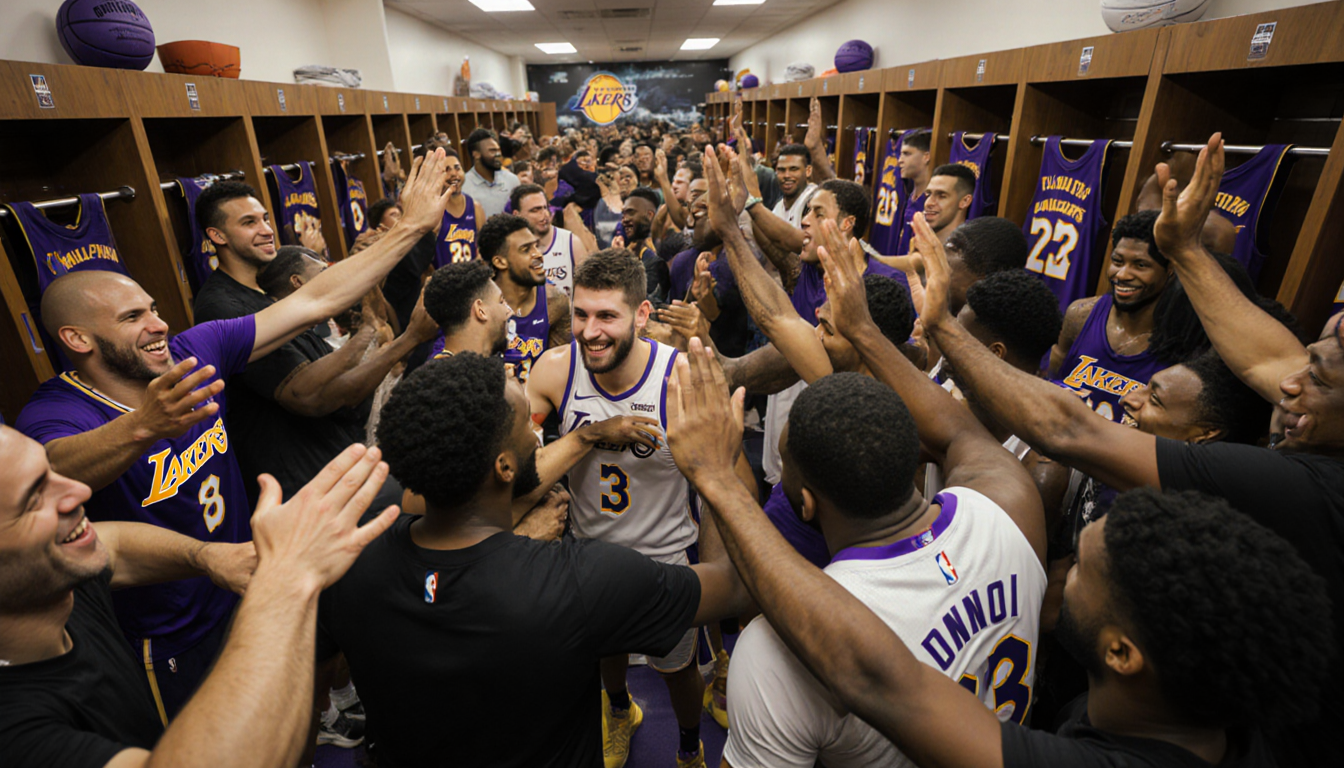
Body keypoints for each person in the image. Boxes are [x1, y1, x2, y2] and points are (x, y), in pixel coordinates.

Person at [918, 134, 1343, 766]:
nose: (1289, 383)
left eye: (1321, 377)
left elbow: (1072, 432)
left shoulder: (1313, 485)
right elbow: (1268, 358)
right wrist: (1183, 249)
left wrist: (944, 328)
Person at [315, 353, 752, 768]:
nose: (539, 435)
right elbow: (732, 586)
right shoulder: (580, 579)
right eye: (529, 423)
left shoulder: (346, 561)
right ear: (506, 468)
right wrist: (717, 474)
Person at [0, 426, 401, 768]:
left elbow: (116, 544)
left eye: (51, 473)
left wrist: (207, 557)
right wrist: (288, 575)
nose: (78, 490)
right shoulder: (14, 730)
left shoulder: (49, 576)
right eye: (33, 498)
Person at [527, 249, 727, 767]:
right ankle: (620, 711)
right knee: (603, 653)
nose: (590, 331)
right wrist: (587, 437)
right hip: (589, 552)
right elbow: (518, 476)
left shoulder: (679, 377)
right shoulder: (553, 370)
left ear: (641, 315)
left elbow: (719, 484)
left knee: (675, 668)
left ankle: (689, 747)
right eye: (581, 314)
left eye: (607, 316)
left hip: (664, 556)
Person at [1048, 210, 1172, 422]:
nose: (1122, 274)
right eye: (1118, 261)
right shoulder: (1080, 315)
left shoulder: (1183, 338)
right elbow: (1053, 383)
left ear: (1170, 270)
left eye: (1140, 265)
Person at [478, 213, 570, 382]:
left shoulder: (555, 302)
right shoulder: (478, 307)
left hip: (537, 404)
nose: (538, 255)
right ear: (500, 262)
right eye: (526, 249)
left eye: (536, 246)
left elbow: (561, 374)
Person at [511, 183, 590, 299]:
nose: (544, 215)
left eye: (545, 208)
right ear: (517, 215)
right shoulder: (511, 249)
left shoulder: (571, 243)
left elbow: (589, 291)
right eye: (535, 210)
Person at [432, 147, 486, 267]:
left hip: (472, 279)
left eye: (457, 168)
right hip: (445, 281)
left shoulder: (475, 207)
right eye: (446, 170)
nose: (453, 174)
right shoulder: (434, 212)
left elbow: (484, 249)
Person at [462, 128, 520, 218]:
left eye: (498, 150)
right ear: (476, 154)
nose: (498, 154)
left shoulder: (512, 180)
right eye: (492, 151)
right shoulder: (464, 187)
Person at [620, 187, 664, 301]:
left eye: (631, 213)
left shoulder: (656, 257)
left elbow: (639, 300)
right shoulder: (630, 249)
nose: (624, 220)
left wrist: (620, 262)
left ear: (650, 215)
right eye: (623, 214)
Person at [894, 130, 933, 256]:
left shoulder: (933, 201)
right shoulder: (910, 195)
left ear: (926, 156)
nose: (900, 160)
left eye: (907, 154)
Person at [922, 163, 977, 243]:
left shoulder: (972, 252)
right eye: (928, 194)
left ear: (965, 201)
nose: (928, 203)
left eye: (941, 196)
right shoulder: (917, 243)